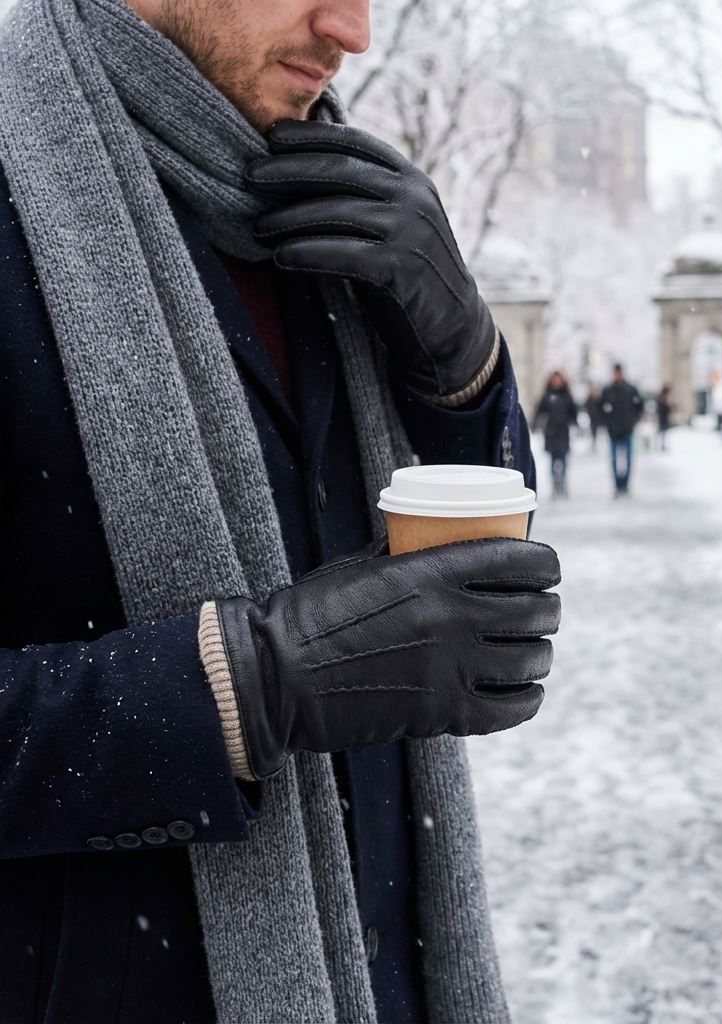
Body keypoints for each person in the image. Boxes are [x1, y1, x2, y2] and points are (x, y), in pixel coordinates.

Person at [0, 1, 561, 1022]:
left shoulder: (322, 199)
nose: (353, 30)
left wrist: (463, 362)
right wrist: (240, 690)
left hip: (389, 970)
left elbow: (473, 507)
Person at [532, 371, 579, 498]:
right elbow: (539, 412)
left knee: (563, 461)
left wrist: (574, 423)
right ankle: (555, 486)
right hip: (551, 433)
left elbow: (573, 413)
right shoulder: (547, 396)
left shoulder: (567, 396)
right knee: (553, 462)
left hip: (563, 432)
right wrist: (535, 425)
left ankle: (563, 484)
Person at [601, 364, 644, 497]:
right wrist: (607, 423)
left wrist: (633, 421)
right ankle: (617, 486)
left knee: (628, 459)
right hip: (613, 431)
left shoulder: (631, 390)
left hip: (627, 430)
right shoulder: (608, 390)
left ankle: (625, 485)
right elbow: (600, 408)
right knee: (614, 460)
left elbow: (639, 407)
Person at [585, 383, 604, 451]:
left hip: (598, 418)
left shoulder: (599, 398)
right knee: (593, 430)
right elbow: (587, 406)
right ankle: (594, 444)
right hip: (592, 417)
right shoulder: (589, 398)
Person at [655, 385, 674, 451]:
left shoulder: (662, 397)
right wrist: (668, 406)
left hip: (663, 417)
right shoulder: (662, 398)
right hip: (662, 418)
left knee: (663, 433)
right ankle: (660, 446)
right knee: (662, 433)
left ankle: (661, 445)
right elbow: (662, 408)